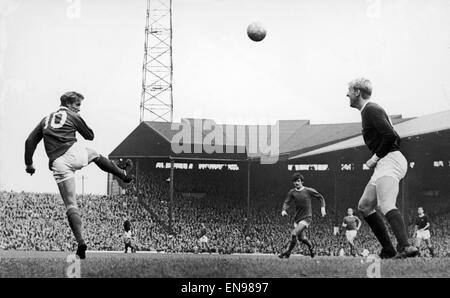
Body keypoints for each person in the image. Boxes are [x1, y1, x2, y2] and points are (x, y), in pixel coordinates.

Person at [24, 91, 134, 259]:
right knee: (94, 154)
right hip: (72, 151)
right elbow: (89, 136)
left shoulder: (45, 120)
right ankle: (123, 174)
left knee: (70, 204)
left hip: (57, 162)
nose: (79, 109)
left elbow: (29, 141)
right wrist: (79, 123)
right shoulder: (72, 115)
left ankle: (81, 242)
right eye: (77, 105)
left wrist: (29, 164)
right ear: (68, 104)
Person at [346, 78, 418, 259]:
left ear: (356, 92)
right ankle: (388, 249)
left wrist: (375, 157)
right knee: (364, 205)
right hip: (385, 161)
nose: (346, 94)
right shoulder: (369, 111)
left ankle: (405, 246)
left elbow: (391, 136)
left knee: (386, 204)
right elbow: (394, 136)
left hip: (389, 160)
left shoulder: (371, 109)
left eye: (349, 91)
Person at [278, 173, 326, 259]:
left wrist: (323, 208)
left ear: (302, 181)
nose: (296, 183)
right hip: (297, 218)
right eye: (294, 181)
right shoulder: (292, 192)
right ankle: (311, 248)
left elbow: (320, 197)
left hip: (307, 217)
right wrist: (284, 210)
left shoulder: (308, 190)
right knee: (302, 239)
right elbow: (287, 202)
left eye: (298, 181)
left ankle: (287, 252)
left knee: (293, 233)